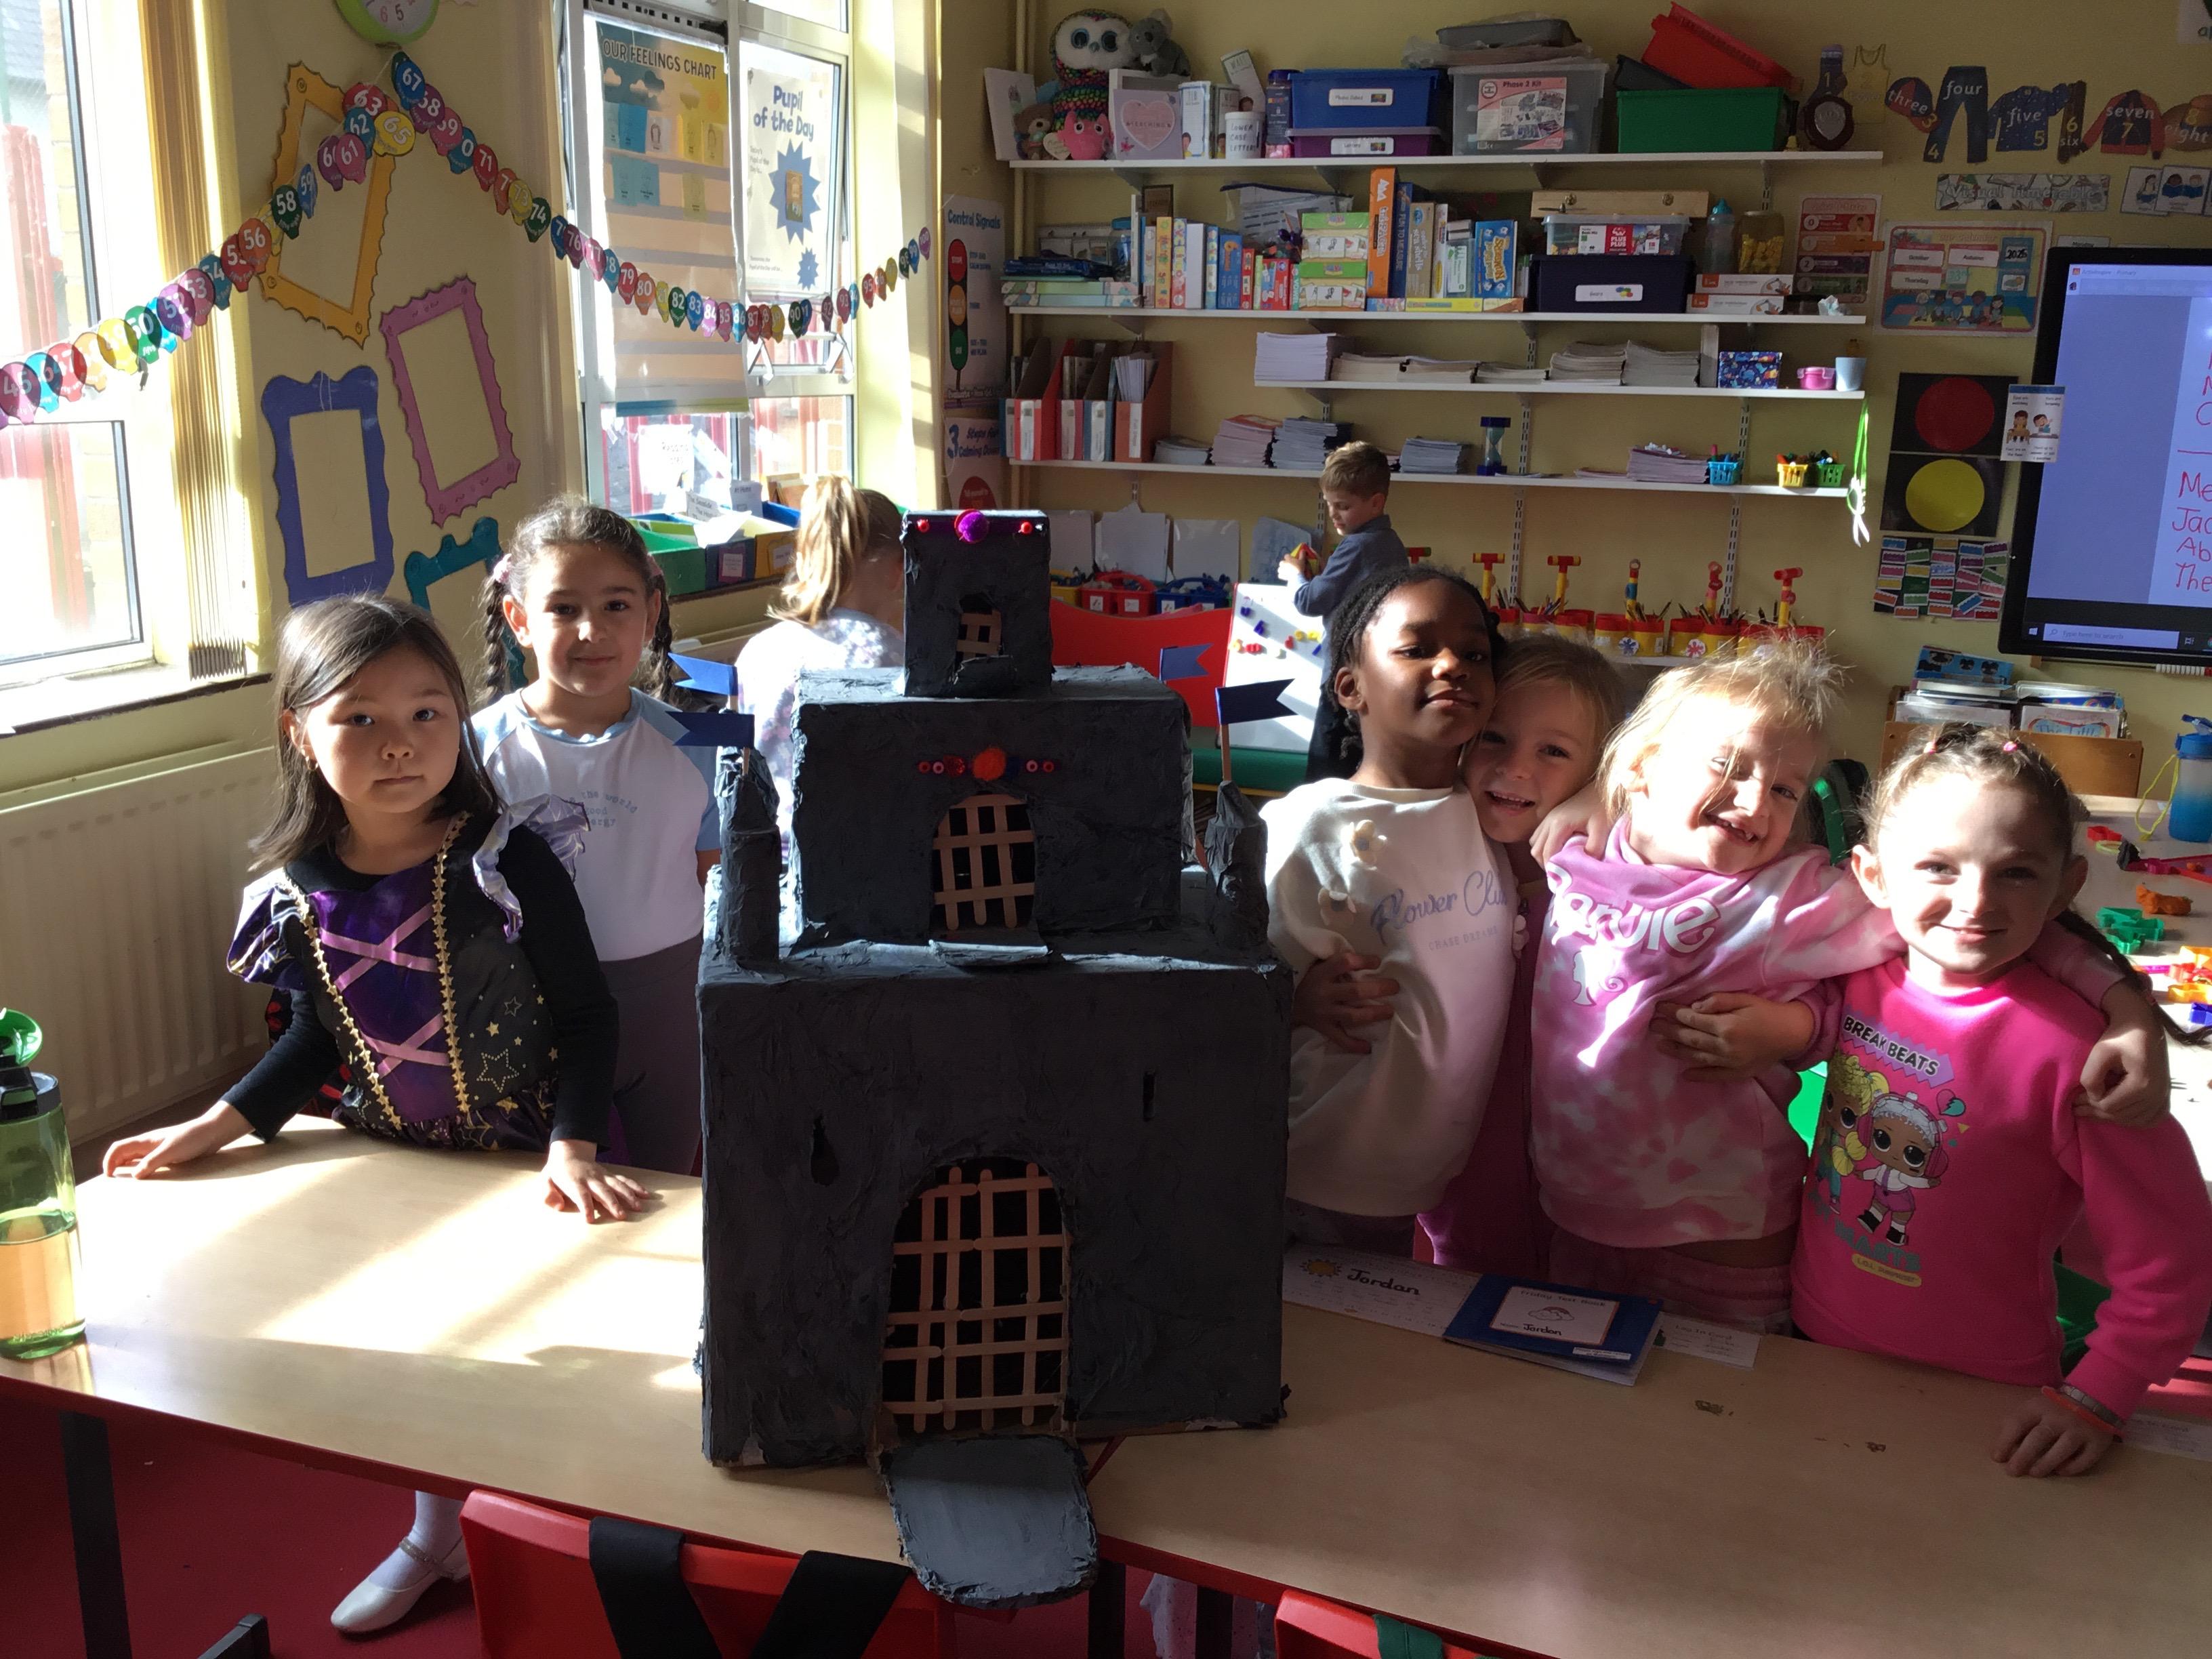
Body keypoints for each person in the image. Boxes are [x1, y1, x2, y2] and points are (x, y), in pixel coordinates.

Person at [101, 594, 646, 1634]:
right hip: (399, 1167)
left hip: (539, 1160)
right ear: (299, 733)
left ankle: (572, 1551)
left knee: (570, 1373)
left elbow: (588, 1015)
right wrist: (211, 1126)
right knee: (438, 1362)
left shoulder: (508, 856)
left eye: (427, 713)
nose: (400, 744)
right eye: (360, 718)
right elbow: (317, 1038)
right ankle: (437, 1535)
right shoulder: (299, 888)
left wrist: (573, 1146)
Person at [1530, 643, 2166, 1330]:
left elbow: (1971, 918)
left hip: (1725, 1228)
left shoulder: (1790, 895)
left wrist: (2125, 1006)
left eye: (1785, 789)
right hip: (1573, 1210)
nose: (1754, 801)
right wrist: (1594, 791)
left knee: (1728, 1395)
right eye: (1728, 765)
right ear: (1642, 765)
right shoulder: (1577, 849)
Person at [1793, 727, 2212, 1476]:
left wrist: (2100, 1394)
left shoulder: (2082, 1052)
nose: (1976, 901)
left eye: (2016, 872)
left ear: (2067, 887)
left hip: (1991, 1391)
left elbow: (2172, 1254)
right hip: (1808, 1339)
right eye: (1938, 867)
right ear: (1872, 875)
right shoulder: (1842, 977)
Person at [1262, 565, 1515, 1250]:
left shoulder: (1490, 815)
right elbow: (1226, 981)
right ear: (1351, 688)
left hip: (1426, 1171)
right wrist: (1292, 1002)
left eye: (1475, 653)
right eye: (1417, 649)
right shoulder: (1309, 824)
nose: (1453, 666)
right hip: (1322, 1168)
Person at [474, 497, 716, 1176]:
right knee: (541, 1191)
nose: (592, 630)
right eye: (562, 608)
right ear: (519, 619)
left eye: (616, 605)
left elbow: (718, 879)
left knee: (668, 1186)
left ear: (651, 611)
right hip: (530, 1009)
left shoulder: (703, 742)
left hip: (670, 1011)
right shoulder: (473, 750)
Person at [734, 476, 906, 870]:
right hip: (863, 859)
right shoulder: (896, 658)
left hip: (767, 856)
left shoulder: (759, 650)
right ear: (899, 570)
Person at [1281, 442, 1408, 783]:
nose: (1334, 515)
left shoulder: (1355, 546)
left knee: (1324, 769)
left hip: (1343, 673)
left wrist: (1294, 576)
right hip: (1375, 674)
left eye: (1344, 506)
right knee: (1360, 767)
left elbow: (1309, 602)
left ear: (1376, 503)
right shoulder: (1390, 542)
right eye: (1329, 505)